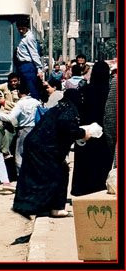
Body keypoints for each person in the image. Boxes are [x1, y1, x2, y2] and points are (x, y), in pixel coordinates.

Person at [13, 89, 91, 217]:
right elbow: (65, 126)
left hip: (37, 146)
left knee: (42, 177)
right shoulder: (69, 110)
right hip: (43, 149)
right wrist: (83, 133)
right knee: (58, 174)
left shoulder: (60, 107)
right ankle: (56, 208)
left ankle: (34, 206)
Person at [71, 60, 113, 197]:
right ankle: (99, 188)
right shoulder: (109, 91)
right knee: (102, 163)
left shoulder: (85, 90)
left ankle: (81, 189)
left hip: (85, 131)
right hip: (103, 133)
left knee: (84, 162)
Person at [0, 82, 41, 173]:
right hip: (36, 130)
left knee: (19, 154)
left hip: (24, 131)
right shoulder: (36, 102)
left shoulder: (20, 104)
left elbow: (10, 118)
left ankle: (21, 175)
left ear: (19, 92)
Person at [0, 73, 20, 159]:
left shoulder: (22, 89)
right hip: (3, 113)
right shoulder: (5, 86)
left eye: (15, 81)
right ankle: (5, 151)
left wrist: (5, 103)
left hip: (14, 114)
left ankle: (4, 151)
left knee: (10, 127)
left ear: (18, 81)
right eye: (11, 81)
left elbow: (19, 105)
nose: (13, 83)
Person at [14, 19, 44, 100]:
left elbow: (34, 53)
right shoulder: (21, 36)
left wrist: (39, 68)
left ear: (26, 28)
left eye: (22, 29)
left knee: (31, 87)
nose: (20, 30)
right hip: (21, 65)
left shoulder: (29, 38)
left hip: (28, 65)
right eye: (19, 29)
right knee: (24, 89)